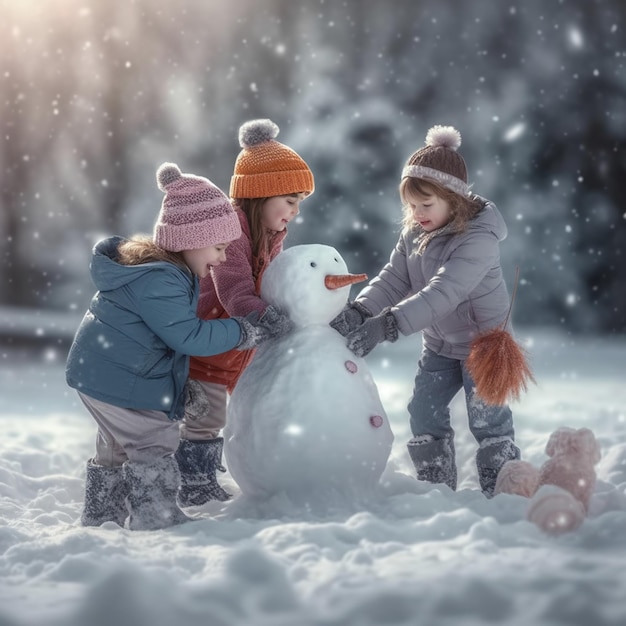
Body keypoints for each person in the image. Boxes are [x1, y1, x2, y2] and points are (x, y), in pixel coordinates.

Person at [66, 162, 290, 530]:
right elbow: (187, 336)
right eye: (218, 248)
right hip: (117, 379)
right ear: (190, 240)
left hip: (100, 375)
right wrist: (241, 331)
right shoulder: (162, 281)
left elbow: (165, 343)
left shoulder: (162, 273)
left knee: (118, 445)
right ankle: (156, 513)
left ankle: (102, 511)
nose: (221, 259)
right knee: (152, 440)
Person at [331, 125, 521, 497]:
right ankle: (436, 486)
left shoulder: (478, 240)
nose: (417, 214)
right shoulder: (415, 234)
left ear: (454, 199)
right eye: (411, 206)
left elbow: (443, 292)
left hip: (484, 346)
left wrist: (387, 325)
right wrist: (359, 310)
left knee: (488, 420)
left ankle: (502, 487)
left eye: (426, 205)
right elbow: (394, 279)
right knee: (423, 411)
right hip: (439, 345)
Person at [177, 118, 315, 506]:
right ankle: (195, 482)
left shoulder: (271, 237)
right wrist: (265, 316)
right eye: (290, 201)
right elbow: (234, 288)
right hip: (209, 343)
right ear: (261, 194)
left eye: (299, 203)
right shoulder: (232, 231)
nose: (295, 212)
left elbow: (273, 285)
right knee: (204, 417)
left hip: (237, 348)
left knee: (217, 415)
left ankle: (199, 472)